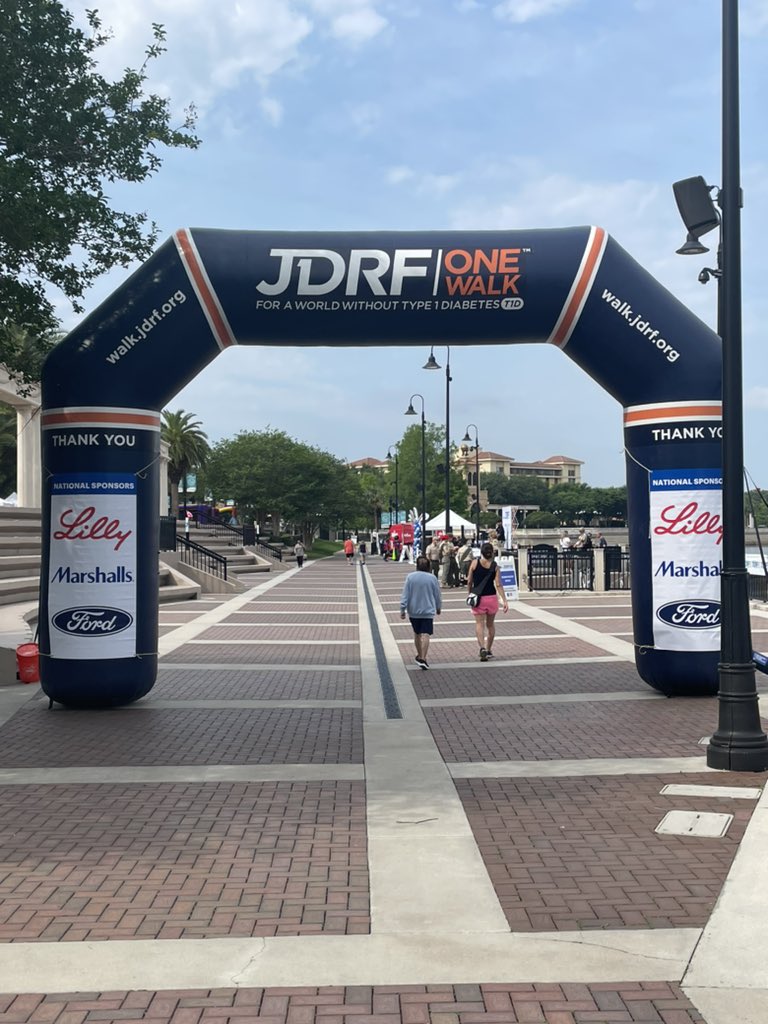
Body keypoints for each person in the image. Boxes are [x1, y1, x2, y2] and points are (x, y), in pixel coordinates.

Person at [466, 541, 509, 661]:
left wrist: (469, 593)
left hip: (478, 599)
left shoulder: (475, 563)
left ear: (481, 552)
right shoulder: (495, 566)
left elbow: (469, 581)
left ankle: (482, 647)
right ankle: (489, 649)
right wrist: (504, 600)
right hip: (491, 598)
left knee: (479, 624)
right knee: (490, 625)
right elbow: (498, 584)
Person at [399, 555, 442, 669]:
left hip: (413, 610)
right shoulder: (432, 578)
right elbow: (437, 594)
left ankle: (419, 655)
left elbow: (405, 594)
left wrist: (402, 609)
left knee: (417, 634)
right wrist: (438, 607)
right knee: (426, 634)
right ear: (428, 566)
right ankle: (423, 657)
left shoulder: (410, 577)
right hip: (428, 610)